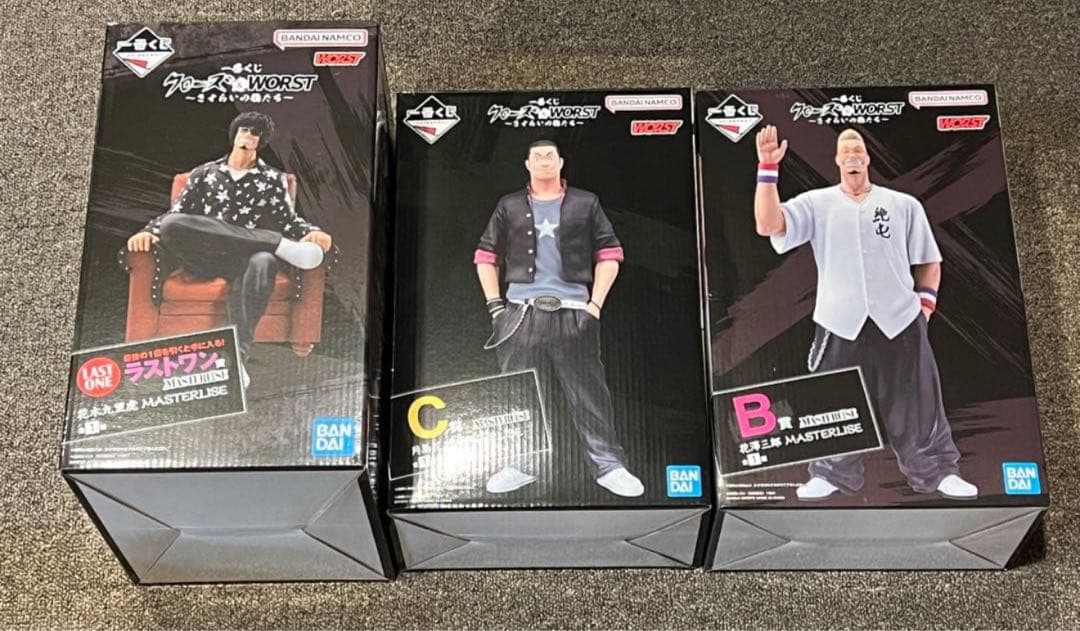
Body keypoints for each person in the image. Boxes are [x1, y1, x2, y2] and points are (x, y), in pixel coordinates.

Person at [753, 125, 978, 500]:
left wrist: (925, 306)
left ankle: (938, 471)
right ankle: (830, 473)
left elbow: (929, 260)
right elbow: (768, 225)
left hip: (900, 318)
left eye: (857, 149)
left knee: (918, 398)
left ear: (868, 157)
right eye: (845, 151)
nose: (852, 155)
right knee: (835, 398)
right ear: (837, 161)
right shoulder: (817, 203)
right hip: (839, 319)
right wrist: (767, 167)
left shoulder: (903, 205)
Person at [473, 139, 643, 497]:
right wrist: (496, 308)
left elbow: (610, 253)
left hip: (574, 311)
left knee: (588, 391)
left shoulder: (586, 202)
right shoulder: (509, 205)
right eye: (536, 156)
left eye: (550, 155)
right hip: (520, 312)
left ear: (562, 162)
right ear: (526, 164)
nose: (544, 161)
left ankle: (608, 465)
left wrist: (594, 306)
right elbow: (486, 257)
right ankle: (520, 463)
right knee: (519, 392)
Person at [126, 112, 332, 387]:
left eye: (255, 133)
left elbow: (288, 220)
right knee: (172, 224)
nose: (248, 136)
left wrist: (310, 231)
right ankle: (275, 242)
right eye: (244, 129)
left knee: (264, 260)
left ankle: (237, 361)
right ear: (235, 133)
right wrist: (148, 232)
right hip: (204, 256)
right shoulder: (204, 173)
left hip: (245, 259)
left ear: (262, 141)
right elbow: (176, 213)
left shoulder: (271, 179)